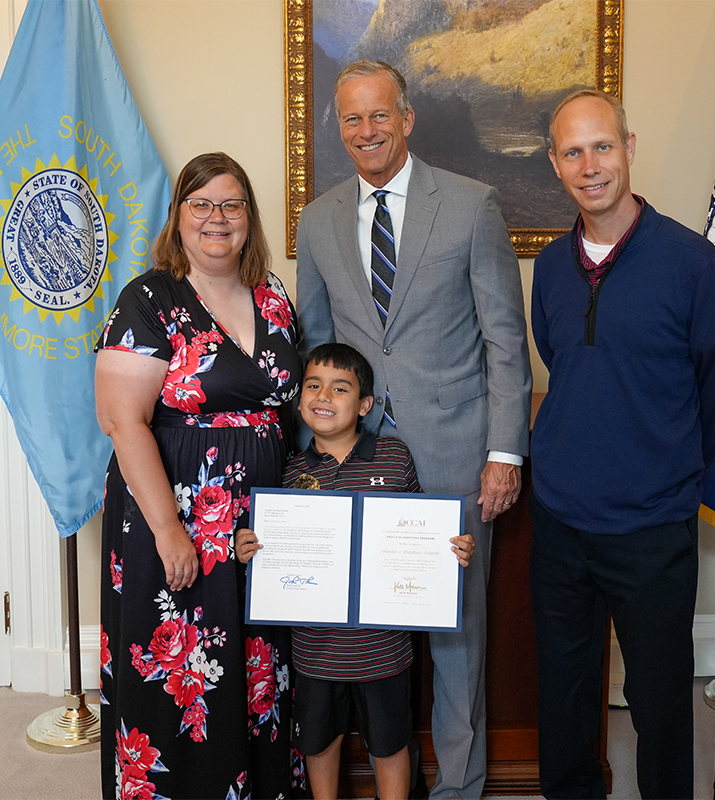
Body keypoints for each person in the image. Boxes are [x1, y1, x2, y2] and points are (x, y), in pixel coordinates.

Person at [295, 59, 532, 799]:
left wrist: (503, 453)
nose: (366, 131)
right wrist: (311, 464)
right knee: (354, 631)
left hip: (455, 452)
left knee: (457, 639)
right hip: (350, 462)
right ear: (341, 128)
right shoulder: (319, 217)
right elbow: (316, 343)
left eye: (378, 116)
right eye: (351, 119)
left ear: (406, 118)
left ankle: (458, 787)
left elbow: (504, 339)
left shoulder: (470, 204)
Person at [529, 90, 715, 799]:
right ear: (554, 163)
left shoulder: (692, 263)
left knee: (657, 699)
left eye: (602, 146)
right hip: (560, 515)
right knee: (563, 692)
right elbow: (562, 363)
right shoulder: (553, 266)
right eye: (572, 151)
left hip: (652, 524)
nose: (589, 165)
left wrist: (664, 463)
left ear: (629, 147)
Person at [94, 152, 302, 800]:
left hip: (257, 528)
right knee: (181, 681)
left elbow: (292, 407)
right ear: (178, 217)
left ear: (249, 217)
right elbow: (123, 423)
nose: (217, 218)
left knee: (256, 675)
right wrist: (169, 533)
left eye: (231, 204)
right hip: (175, 521)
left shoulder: (273, 294)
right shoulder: (148, 299)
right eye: (201, 204)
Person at [236, 342, 476, 800]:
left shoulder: (394, 456)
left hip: (383, 649)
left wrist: (451, 549)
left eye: (340, 388)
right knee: (318, 740)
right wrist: (252, 549)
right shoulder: (288, 471)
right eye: (313, 385)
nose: (323, 396)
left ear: (365, 405)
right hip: (314, 650)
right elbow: (272, 551)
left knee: (389, 744)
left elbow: (421, 535)